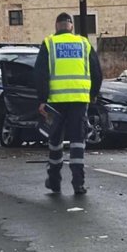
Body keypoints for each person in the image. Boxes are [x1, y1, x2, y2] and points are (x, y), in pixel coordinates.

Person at [34, 13, 103, 195]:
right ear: (71, 26)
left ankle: (54, 181)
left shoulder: (49, 44)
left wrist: (41, 99)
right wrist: (93, 94)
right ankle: (78, 183)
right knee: (77, 141)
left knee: (55, 141)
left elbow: (40, 74)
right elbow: (96, 72)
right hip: (79, 100)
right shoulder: (84, 43)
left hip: (55, 101)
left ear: (56, 26)